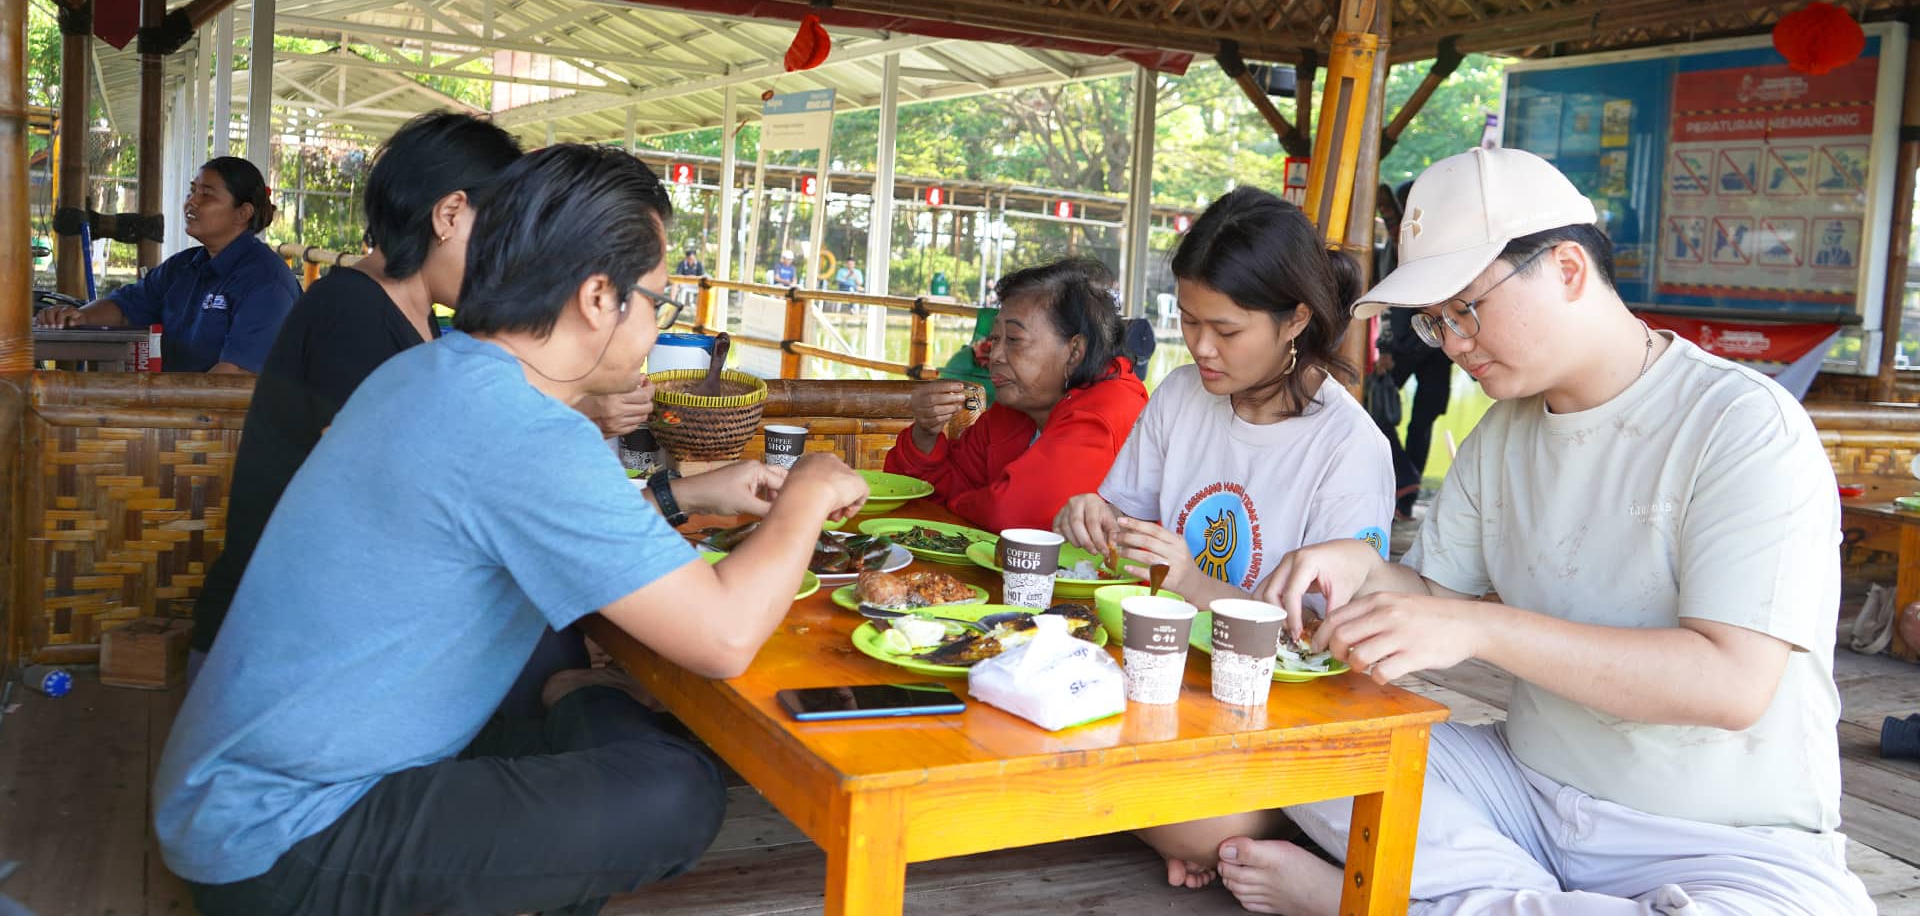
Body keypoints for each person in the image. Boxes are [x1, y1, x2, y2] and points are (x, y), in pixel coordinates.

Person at [154, 144, 869, 915]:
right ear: (600, 296)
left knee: (600, 720)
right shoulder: (517, 425)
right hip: (280, 836)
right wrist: (809, 490)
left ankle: (577, 696)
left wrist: (692, 492)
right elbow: (724, 636)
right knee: (674, 791)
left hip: (243, 783)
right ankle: (579, 696)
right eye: (657, 302)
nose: (654, 325)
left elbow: (544, 524)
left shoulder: (437, 371)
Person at [1205, 147, 1870, 914]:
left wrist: (1479, 627)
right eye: (1435, 320)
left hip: (1725, 840)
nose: (1451, 342)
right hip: (1522, 790)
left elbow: (1730, 684)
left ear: (1567, 269)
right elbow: (1432, 593)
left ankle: (1375, 900)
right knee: (1298, 734)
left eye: (1465, 310)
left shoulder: (1742, 425)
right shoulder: (1504, 431)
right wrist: (1353, 565)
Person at [187, 114, 654, 704]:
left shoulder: (415, 316)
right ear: (450, 214)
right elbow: (400, 496)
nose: (510, 261)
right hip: (283, 660)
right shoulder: (349, 314)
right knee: (569, 675)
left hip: (332, 632)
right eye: (504, 233)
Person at [1055, 187, 1392, 610]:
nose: (1202, 347)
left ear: (1296, 320)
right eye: (1189, 320)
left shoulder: (1350, 447)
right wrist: (1095, 516)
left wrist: (1193, 583)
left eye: (1226, 330)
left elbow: (1319, 634)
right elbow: (1123, 526)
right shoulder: (1180, 394)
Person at [885, 258, 1147, 534]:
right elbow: (920, 494)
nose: (994, 356)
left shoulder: (1108, 408)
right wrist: (925, 433)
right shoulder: (1018, 407)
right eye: (995, 339)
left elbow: (1010, 515)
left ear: (1074, 352)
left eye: (1013, 339)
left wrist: (965, 501)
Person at [35, 156, 300, 373]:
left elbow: (233, 379)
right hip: (178, 413)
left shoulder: (265, 281)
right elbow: (127, 306)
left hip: (225, 426)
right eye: (192, 190)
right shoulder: (184, 267)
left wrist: (154, 407)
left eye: (206, 195)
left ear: (243, 213)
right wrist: (81, 315)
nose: (191, 202)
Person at [1375, 180, 1456, 518]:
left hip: (1437, 345)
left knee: (1422, 422)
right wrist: (1383, 347)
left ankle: (1406, 499)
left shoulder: (1443, 246)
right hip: (1403, 345)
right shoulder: (1389, 251)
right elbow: (1383, 300)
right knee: (1373, 407)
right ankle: (1402, 479)